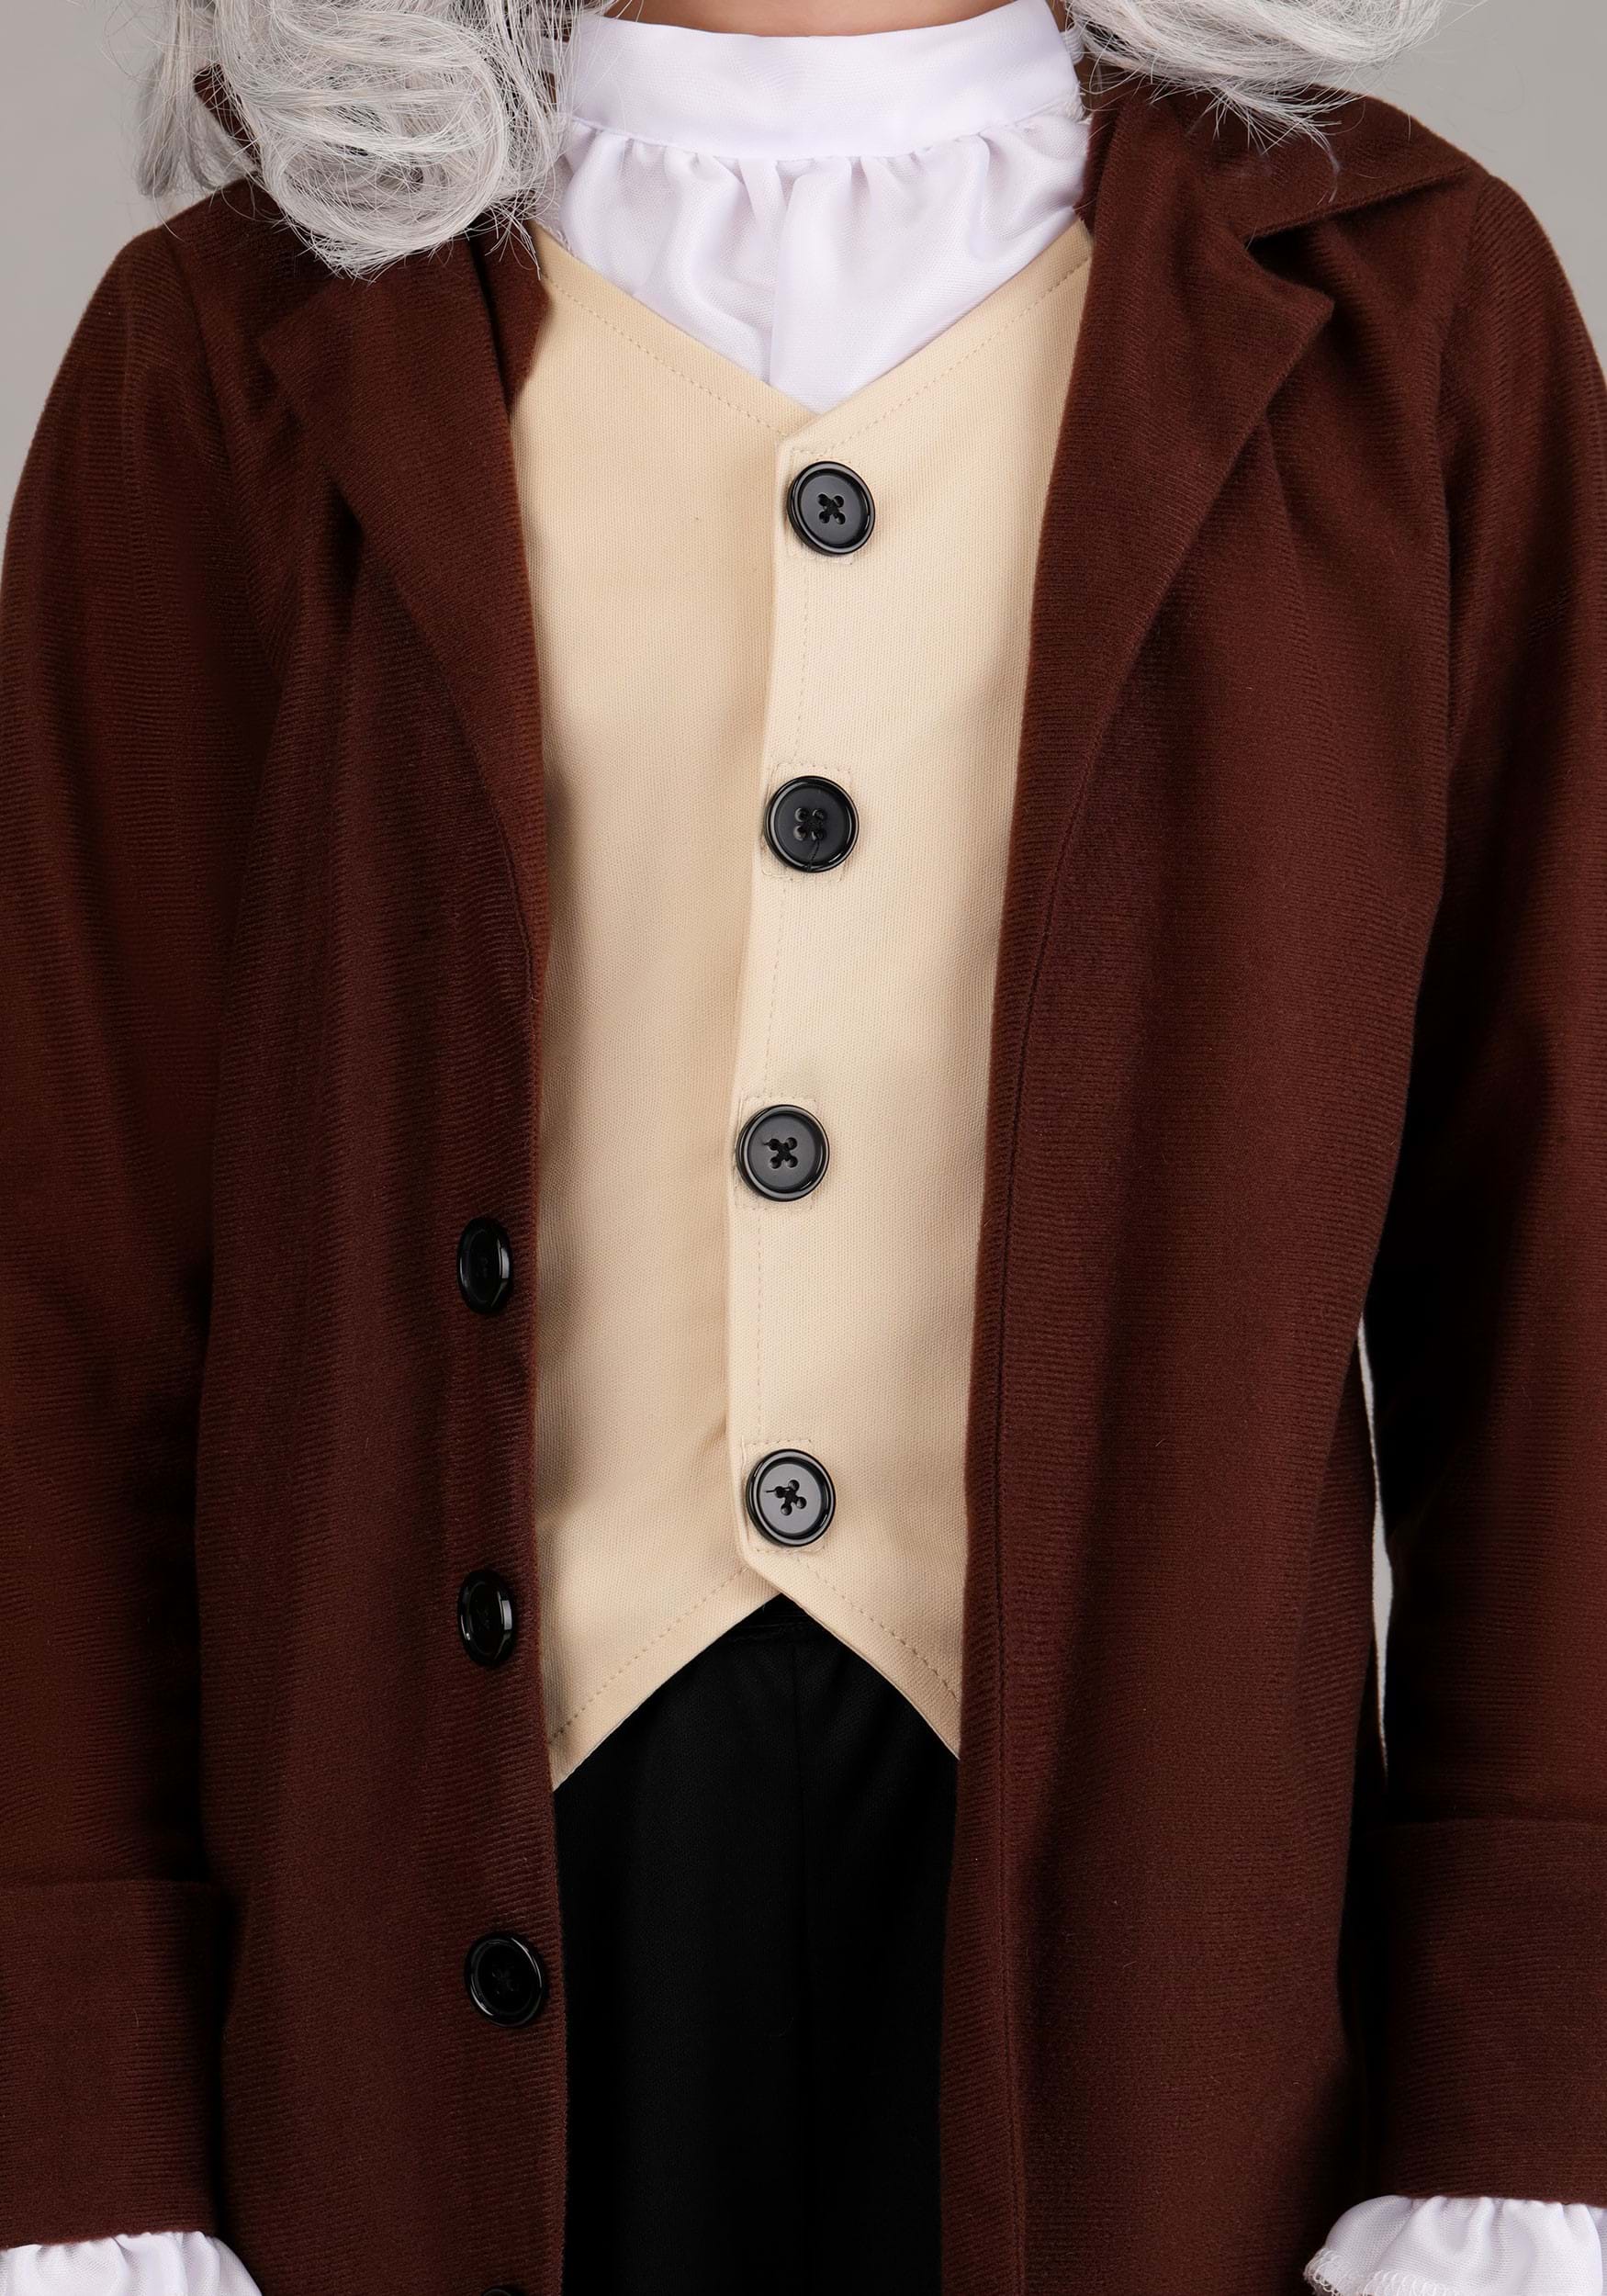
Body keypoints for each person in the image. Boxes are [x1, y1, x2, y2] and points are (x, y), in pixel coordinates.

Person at [3, 0, 1605, 2290]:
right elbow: (61, 1282)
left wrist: (1534, 2097)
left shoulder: (1414, 314)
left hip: (1156, 1977)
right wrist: (70, 2116)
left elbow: (1555, 1251)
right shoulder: (228, 340)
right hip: (434, 1939)